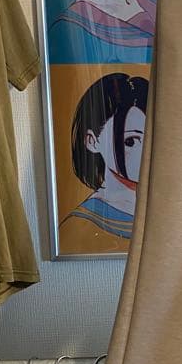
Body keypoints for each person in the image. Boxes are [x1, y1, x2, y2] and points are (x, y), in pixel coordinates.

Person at [59, 73, 148, 253]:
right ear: (92, 141)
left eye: (152, 139)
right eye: (130, 141)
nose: (145, 153)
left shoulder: (168, 213)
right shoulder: (81, 224)